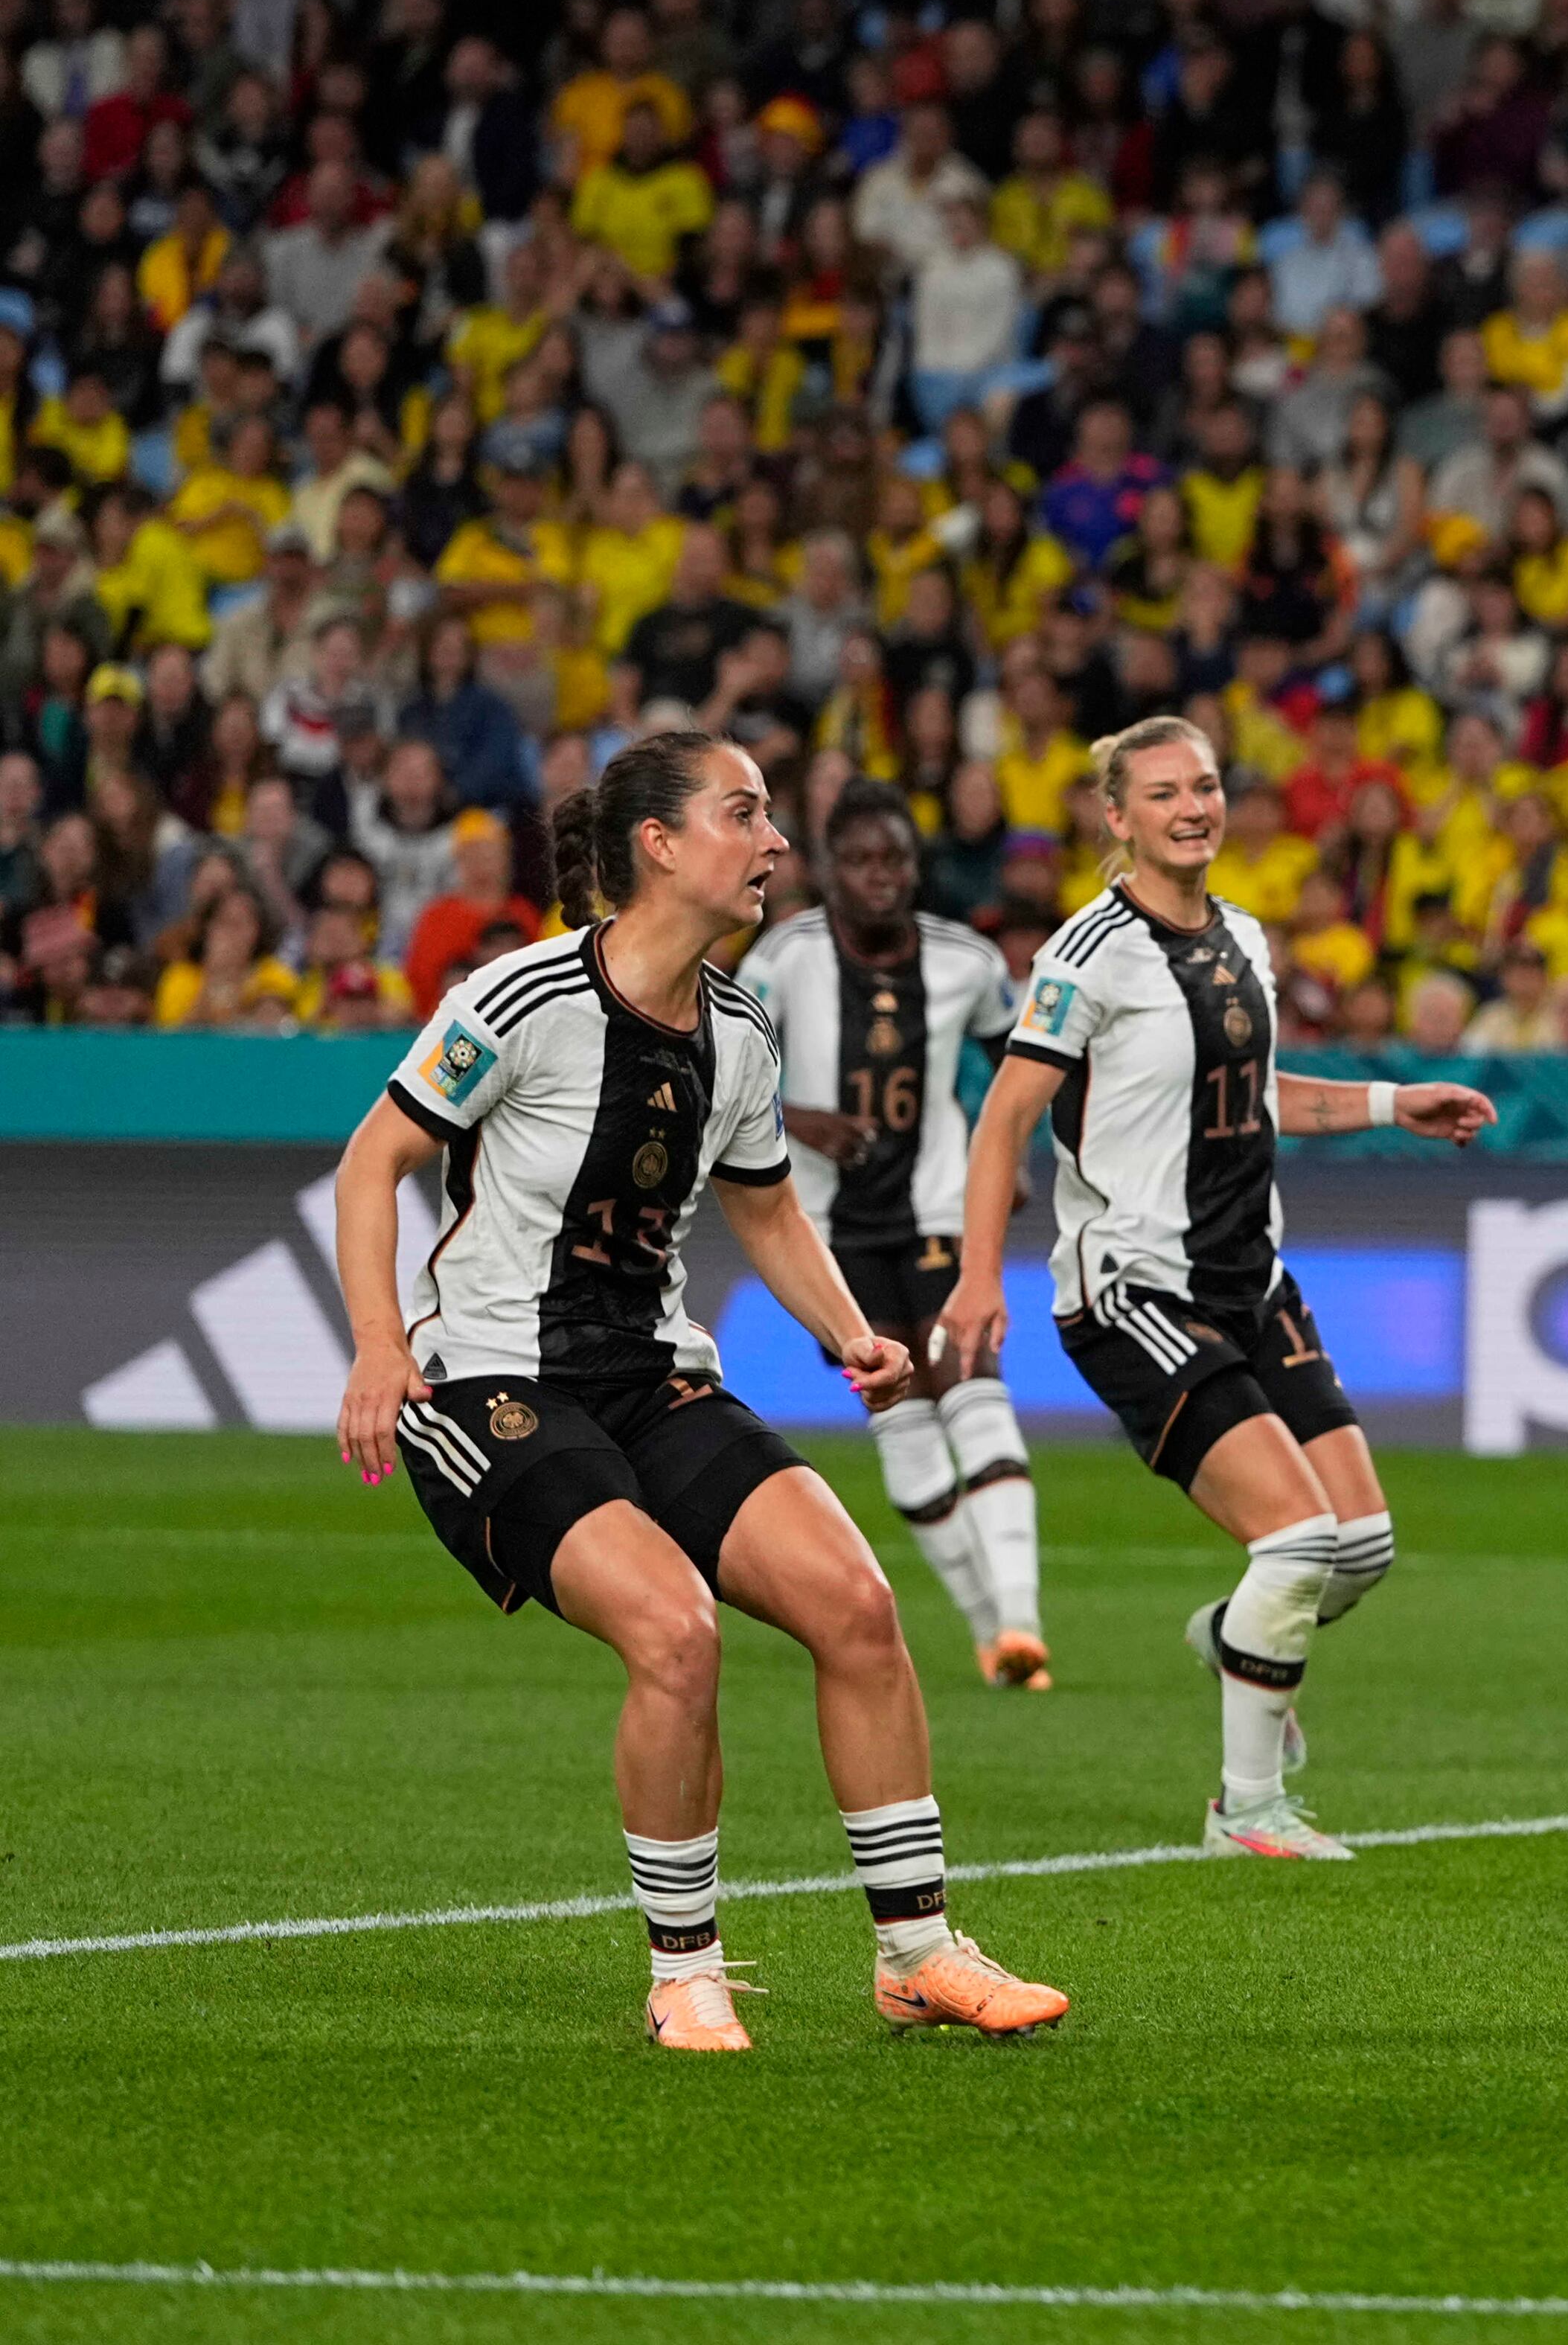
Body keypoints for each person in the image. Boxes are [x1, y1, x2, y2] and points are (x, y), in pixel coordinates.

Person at [325, 729, 1067, 2053]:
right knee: (677, 1631)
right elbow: (372, 1159)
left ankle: (918, 1952)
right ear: (659, 844)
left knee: (856, 1601)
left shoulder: (738, 1026)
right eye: (748, 814)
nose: (776, 840)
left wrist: (854, 1334)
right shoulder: (522, 999)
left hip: (654, 1372)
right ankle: (686, 1968)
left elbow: (768, 1207)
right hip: (495, 1383)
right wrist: (383, 1345)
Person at [944, 719, 1495, 1861]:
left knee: (1364, 1544)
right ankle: (1245, 1810)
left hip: (1254, 1277)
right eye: (1163, 792)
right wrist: (974, 1277)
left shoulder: (1244, 934)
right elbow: (1003, 1120)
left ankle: (1235, 1636)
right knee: (1297, 1542)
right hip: (1134, 1286)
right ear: (1119, 818)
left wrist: (1397, 1103)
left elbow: (1257, 1090)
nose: (1193, 806)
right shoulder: (1086, 953)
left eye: (1204, 785)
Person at [740, 782, 1047, 1689]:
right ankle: (994, 1633)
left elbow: (1020, 1062)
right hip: (825, 1231)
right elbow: (724, 1059)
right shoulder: (783, 957)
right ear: (829, 869)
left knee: (969, 1383)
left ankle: (1024, 1619)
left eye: (896, 861)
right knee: (901, 1417)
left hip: (943, 1211)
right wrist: (799, 1117)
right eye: (862, 861)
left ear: (917, 869)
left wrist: (1007, 1159)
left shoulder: (967, 961)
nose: (880, 878)